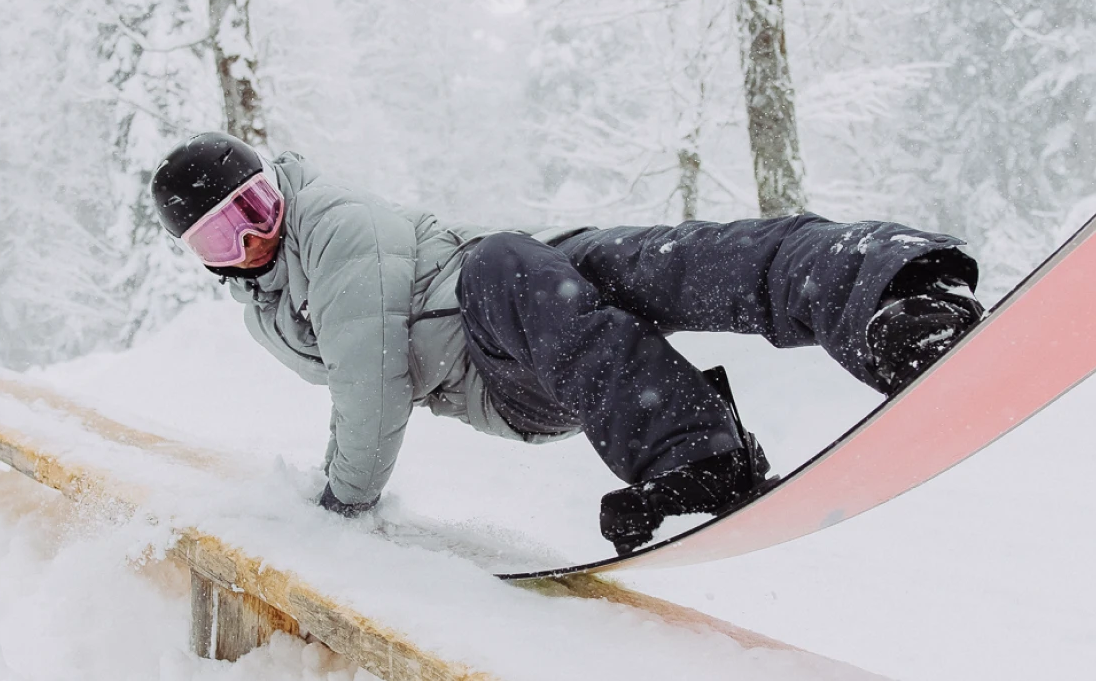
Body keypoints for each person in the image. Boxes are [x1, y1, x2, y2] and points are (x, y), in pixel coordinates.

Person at [150, 131, 985, 555]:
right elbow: (376, 380)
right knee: (511, 264)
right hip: (506, 363)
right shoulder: (263, 309)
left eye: (256, 210)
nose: (254, 240)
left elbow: (367, 380)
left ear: (276, 187)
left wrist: (343, 505)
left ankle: (897, 294)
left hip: (521, 288)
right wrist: (340, 504)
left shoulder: (333, 224)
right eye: (225, 239)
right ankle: (696, 453)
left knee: (678, 257)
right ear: (205, 259)